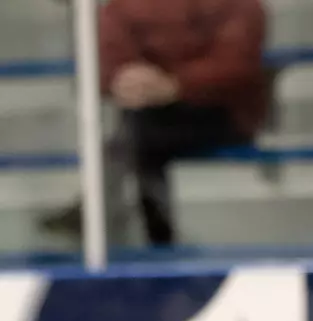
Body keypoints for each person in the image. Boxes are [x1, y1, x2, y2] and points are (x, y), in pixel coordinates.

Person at [40, 0, 268, 247]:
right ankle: (152, 235)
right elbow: (109, 51)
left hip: (223, 111)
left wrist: (175, 85)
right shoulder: (126, 7)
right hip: (150, 110)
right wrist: (126, 77)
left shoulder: (237, 5)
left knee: (136, 136)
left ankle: (98, 211)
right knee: (139, 131)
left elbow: (237, 64)